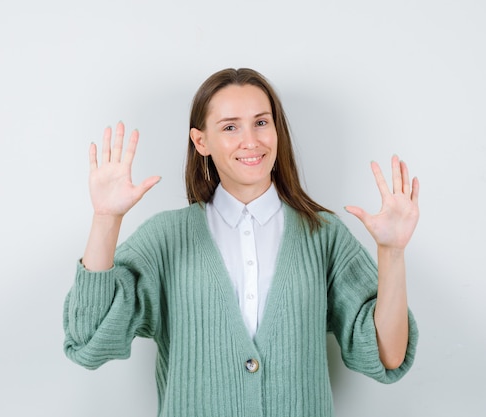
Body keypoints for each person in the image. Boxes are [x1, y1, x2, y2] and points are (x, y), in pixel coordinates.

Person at [63, 68, 420, 416]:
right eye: (230, 127)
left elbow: (388, 355)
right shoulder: (165, 238)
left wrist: (392, 253)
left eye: (261, 122)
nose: (251, 140)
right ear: (201, 141)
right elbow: (87, 337)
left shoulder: (323, 234)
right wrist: (106, 220)